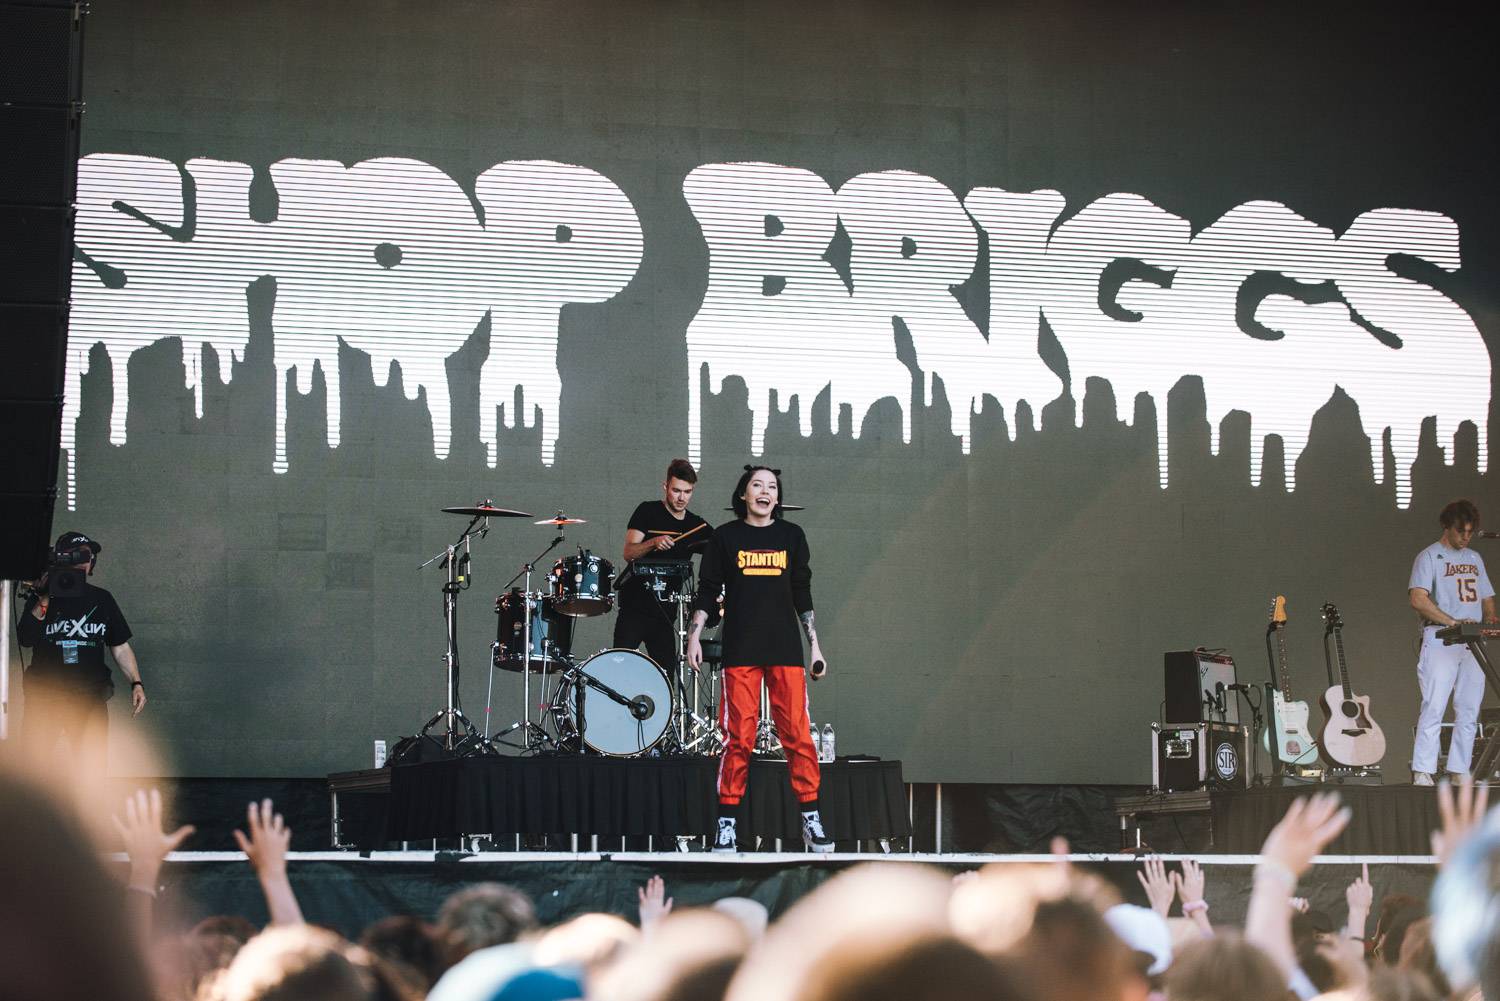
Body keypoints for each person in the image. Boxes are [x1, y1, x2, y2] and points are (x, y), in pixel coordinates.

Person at [687, 465, 831, 853]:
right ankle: (727, 825)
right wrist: (695, 635)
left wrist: (814, 645)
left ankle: (811, 820)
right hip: (742, 650)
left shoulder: (792, 536)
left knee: (798, 735)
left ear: (777, 498)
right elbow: (707, 590)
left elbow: (802, 594)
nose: (765, 492)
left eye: (771, 487)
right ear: (743, 495)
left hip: (785, 649)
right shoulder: (725, 537)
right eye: (757, 485)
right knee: (739, 738)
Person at [17, 531, 145, 774]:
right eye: (75, 557)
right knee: (33, 768)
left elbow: (119, 645)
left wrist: (136, 683)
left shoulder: (102, 599)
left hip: (90, 696)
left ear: (92, 562)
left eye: (86, 556)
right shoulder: (42, 596)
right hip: (45, 696)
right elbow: (26, 638)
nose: (82, 562)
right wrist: (44, 596)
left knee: (92, 769)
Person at [1407, 499, 1497, 785]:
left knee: (1469, 707)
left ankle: (1459, 769)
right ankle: (1423, 769)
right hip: (1441, 638)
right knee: (1434, 704)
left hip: (1473, 641)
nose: (1466, 537)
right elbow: (1418, 599)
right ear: (1447, 527)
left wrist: (1489, 620)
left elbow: (1487, 596)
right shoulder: (1430, 557)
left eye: (1470, 532)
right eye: (1461, 531)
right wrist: (1451, 622)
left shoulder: (1474, 558)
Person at [614, 458, 713, 676]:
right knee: (618, 670)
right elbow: (629, 552)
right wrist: (653, 542)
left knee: (667, 678)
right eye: (676, 490)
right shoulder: (647, 511)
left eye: (687, 492)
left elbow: (720, 549)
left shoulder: (696, 525)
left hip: (666, 615)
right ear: (665, 486)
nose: (681, 497)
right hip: (635, 609)